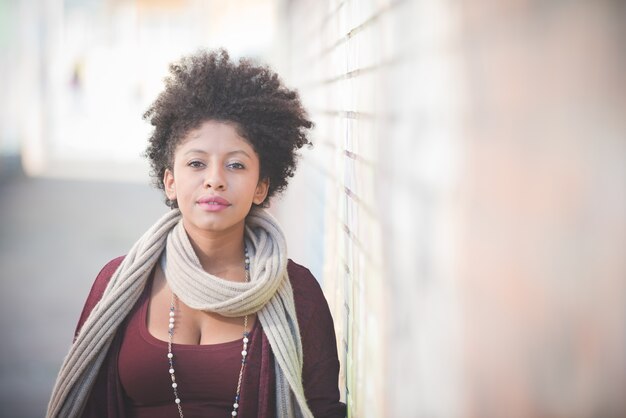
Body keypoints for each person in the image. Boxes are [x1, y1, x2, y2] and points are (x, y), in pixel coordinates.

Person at [47, 49, 345, 418]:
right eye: (196, 163)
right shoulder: (118, 284)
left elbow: (323, 409)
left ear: (261, 188)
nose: (215, 180)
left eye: (236, 165)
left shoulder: (297, 293)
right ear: (170, 181)